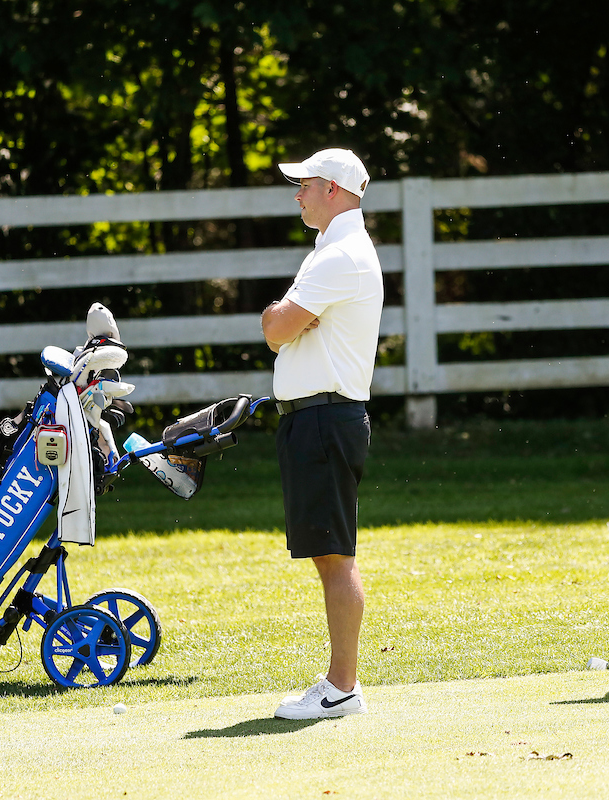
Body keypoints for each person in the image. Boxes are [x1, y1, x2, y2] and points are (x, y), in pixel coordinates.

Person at [260, 148, 383, 718]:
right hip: (317, 417)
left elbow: (277, 328)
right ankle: (341, 683)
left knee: (335, 555)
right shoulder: (334, 250)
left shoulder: (340, 255)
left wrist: (279, 316)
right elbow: (287, 328)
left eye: (305, 185)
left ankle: (342, 686)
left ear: (333, 189)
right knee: (329, 553)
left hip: (325, 418)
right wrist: (284, 319)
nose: (298, 194)